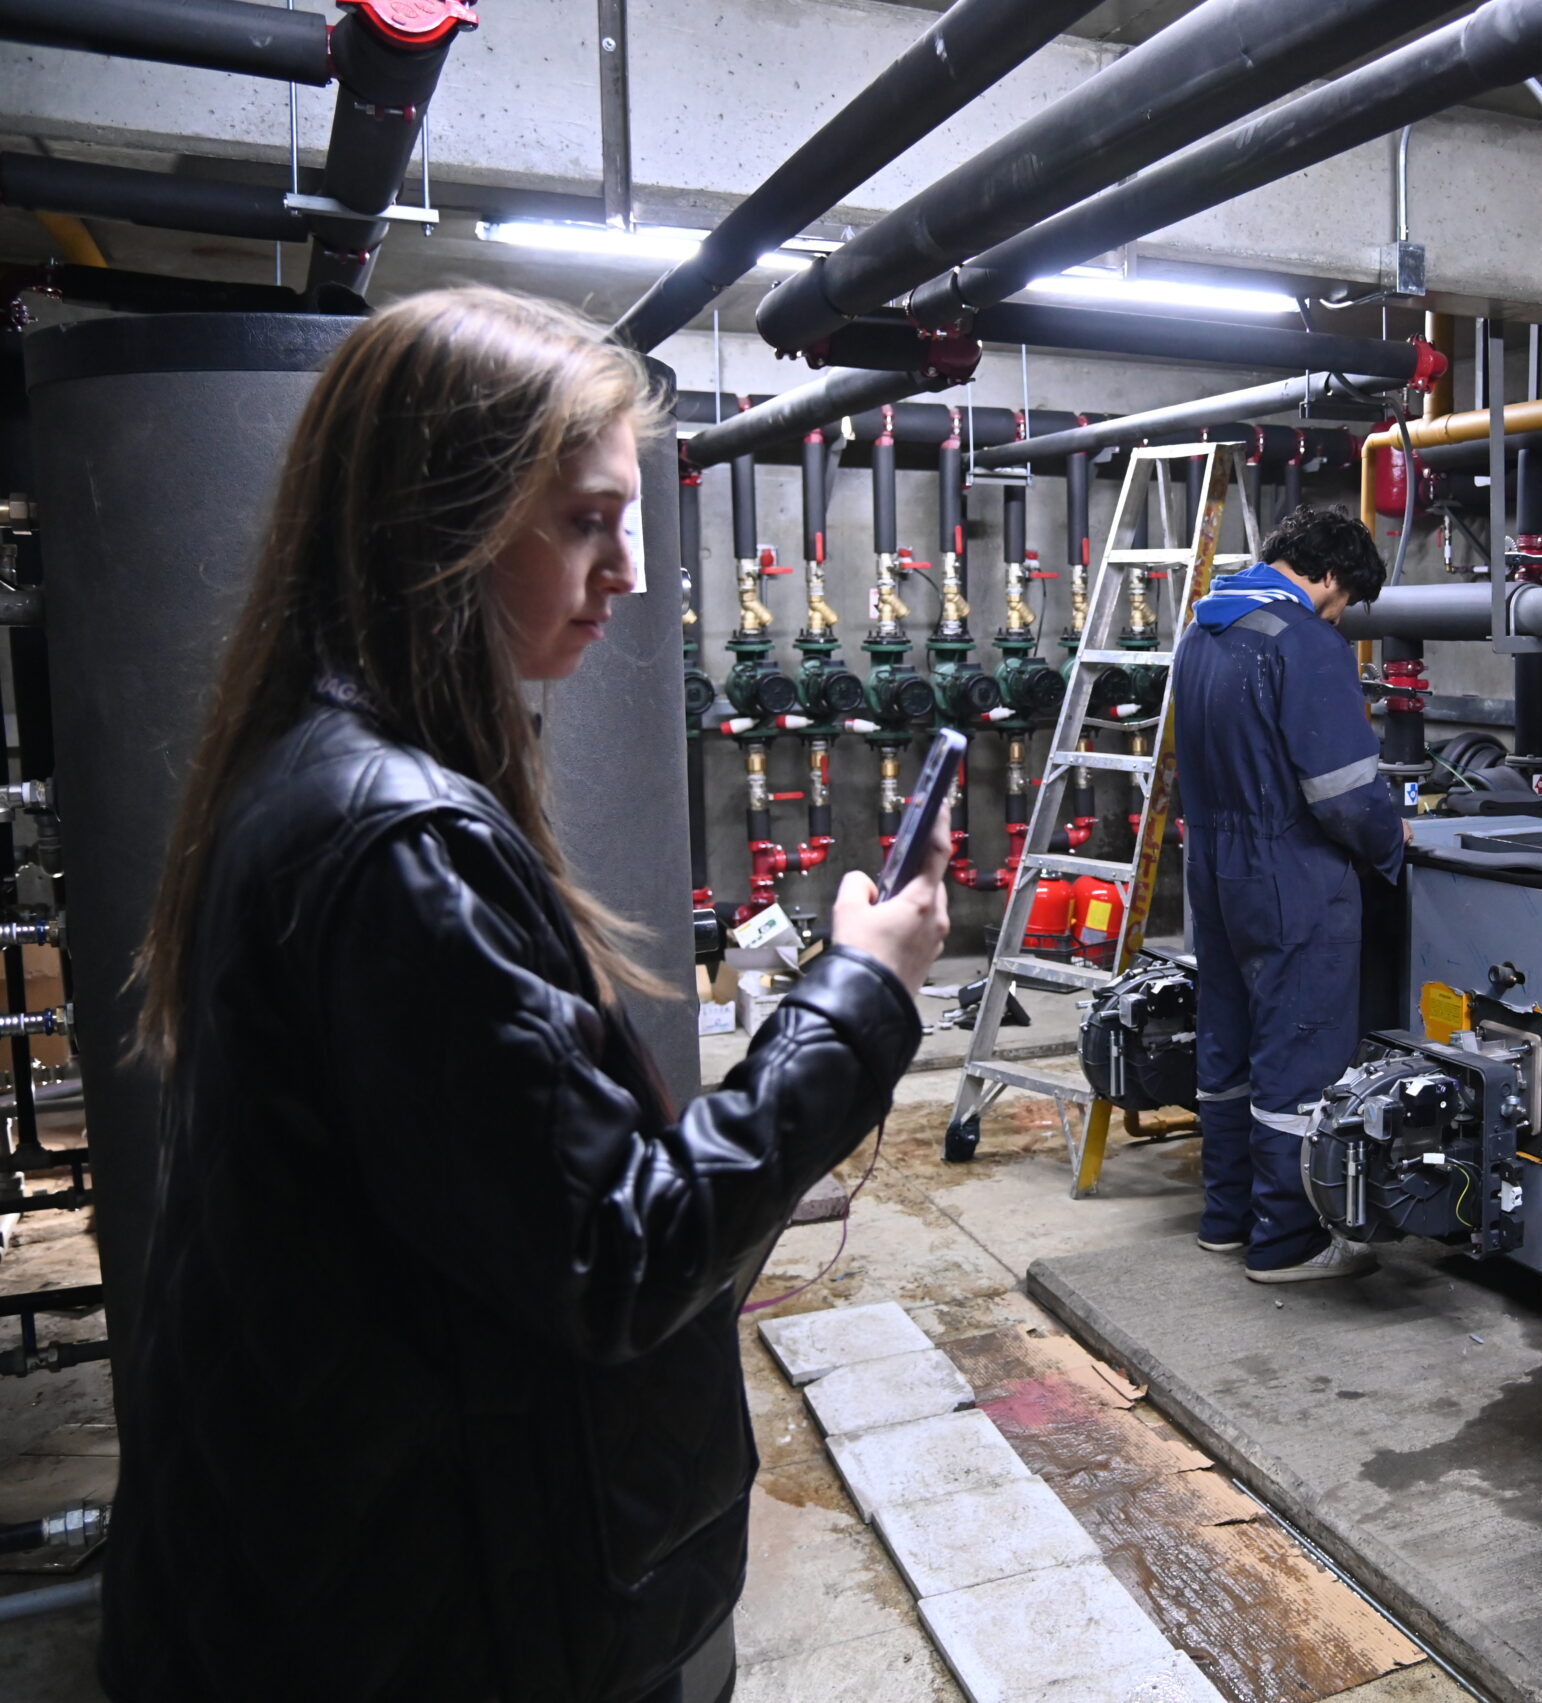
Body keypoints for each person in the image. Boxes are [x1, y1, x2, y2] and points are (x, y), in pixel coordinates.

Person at [108, 288, 950, 1703]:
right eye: (584, 521)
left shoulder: (321, 772)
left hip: (339, 1581)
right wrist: (859, 995)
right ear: (440, 520)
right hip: (416, 1622)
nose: (626, 571)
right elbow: (626, 1249)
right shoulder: (397, 845)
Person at [1174, 505, 1403, 1283]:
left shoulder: (1202, 631)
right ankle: (1287, 1240)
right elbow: (1344, 793)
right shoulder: (1302, 641)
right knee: (1299, 1052)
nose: (1338, 617)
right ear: (1329, 575)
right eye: (1344, 602)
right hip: (1289, 873)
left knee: (1229, 1041)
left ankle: (1227, 1217)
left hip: (1214, 867)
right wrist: (1390, 845)